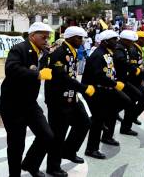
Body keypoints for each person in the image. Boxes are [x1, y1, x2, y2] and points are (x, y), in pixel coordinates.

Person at [0, 22, 54, 177]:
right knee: (16, 145)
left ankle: (30, 164)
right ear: (32, 36)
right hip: (12, 105)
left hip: (30, 104)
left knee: (47, 135)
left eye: (48, 36)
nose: (46, 39)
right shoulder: (20, 49)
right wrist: (36, 74)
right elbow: (11, 69)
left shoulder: (43, 53)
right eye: (43, 36)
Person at [45, 26, 94, 177]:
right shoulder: (59, 54)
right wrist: (83, 88)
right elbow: (62, 77)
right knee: (58, 134)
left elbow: (70, 76)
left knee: (85, 122)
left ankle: (69, 151)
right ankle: (53, 167)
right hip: (58, 100)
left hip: (71, 96)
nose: (81, 40)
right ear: (69, 37)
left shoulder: (71, 52)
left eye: (82, 38)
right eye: (78, 38)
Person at [82, 30, 134, 159]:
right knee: (97, 121)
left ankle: (107, 134)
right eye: (113, 40)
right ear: (105, 41)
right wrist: (114, 84)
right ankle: (91, 149)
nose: (116, 42)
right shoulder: (98, 55)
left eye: (116, 39)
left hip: (107, 89)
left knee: (125, 102)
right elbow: (98, 76)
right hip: (97, 91)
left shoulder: (108, 53)